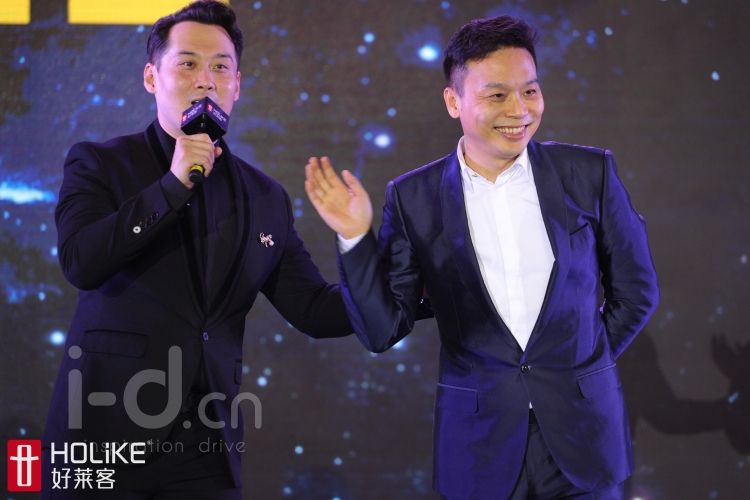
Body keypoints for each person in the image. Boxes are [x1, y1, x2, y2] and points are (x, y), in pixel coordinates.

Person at [305, 15, 659, 500]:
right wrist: (353, 237)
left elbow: (637, 292)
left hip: (584, 443)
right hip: (478, 450)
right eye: (497, 95)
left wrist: (579, 367)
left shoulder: (589, 173)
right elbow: (382, 330)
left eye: (530, 91)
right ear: (454, 102)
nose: (520, 109)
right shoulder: (414, 198)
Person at [43, 1, 351, 498]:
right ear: (151, 77)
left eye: (220, 68)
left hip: (207, 445)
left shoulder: (264, 196)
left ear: (237, 85)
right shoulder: (99, 163)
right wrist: (172, 186)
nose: (206, 80)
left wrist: (407, 286)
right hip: (104, 434)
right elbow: (82, 261)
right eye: (187, 63)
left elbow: (314, 309)